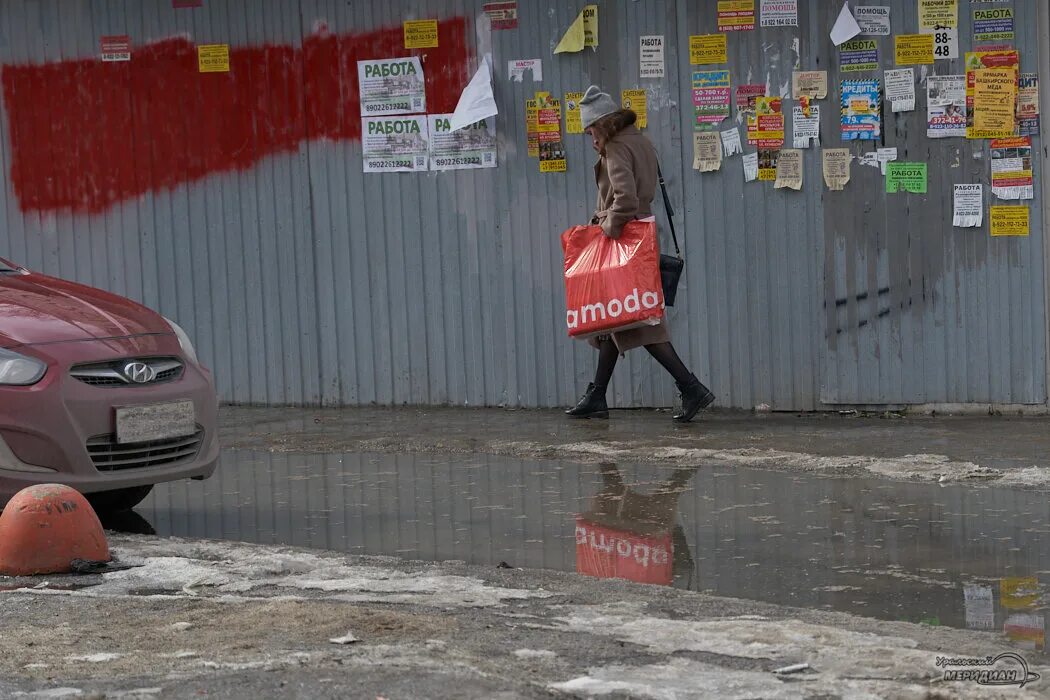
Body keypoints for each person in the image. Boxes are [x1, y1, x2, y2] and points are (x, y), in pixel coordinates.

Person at [566, 86, 715, 422]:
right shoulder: (640, 140)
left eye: (590, 131)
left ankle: (691, 387)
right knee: (615, 317)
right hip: (642, 236)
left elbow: (626, 199)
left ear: (602, 125)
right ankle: (598, 395)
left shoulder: (616, 147)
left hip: (624, 241)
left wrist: (608, 230)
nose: (590, 139)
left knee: (636, 320)